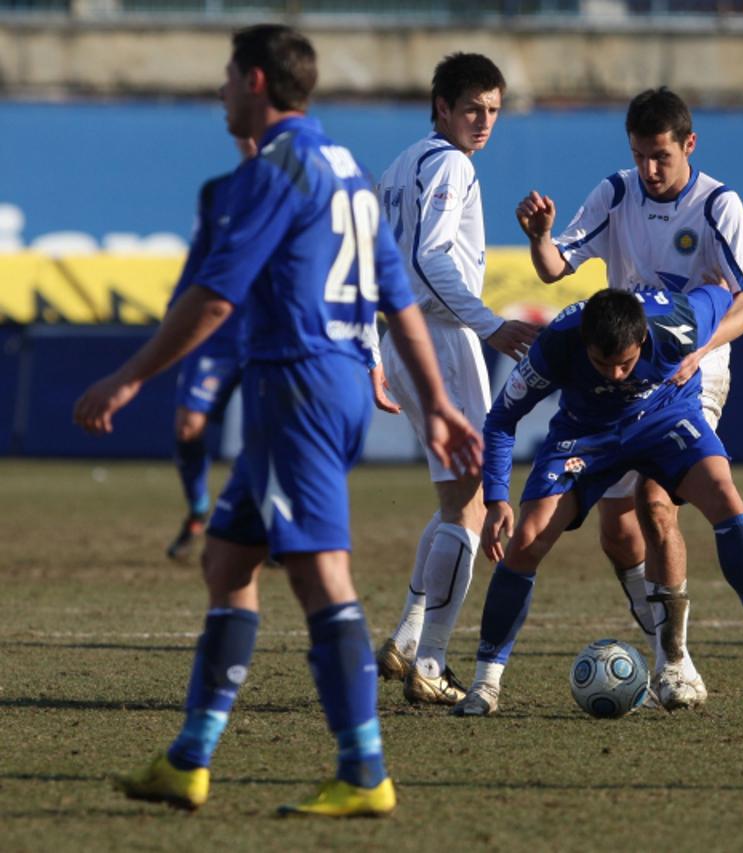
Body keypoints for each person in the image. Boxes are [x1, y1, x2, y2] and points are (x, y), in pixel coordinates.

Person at [73, 24, 482, 817]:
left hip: (294, 384)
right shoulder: (348, 169)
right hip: (315, 385)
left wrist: (127, 379)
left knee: (319, 575)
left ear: (256, 82)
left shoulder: (275, 171)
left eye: (229, 75)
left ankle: (364, 772)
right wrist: (434, 403)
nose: (221, 90)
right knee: (228, 562)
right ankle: (190, 759)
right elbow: (395, 298)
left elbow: (215, 297)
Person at [515, 87, 743, 710]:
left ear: (689, 145)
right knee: (617, 530)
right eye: (640, 155)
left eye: (661, 156)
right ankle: (664, 647)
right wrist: (540, 236)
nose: (651, 170)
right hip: (619, 376)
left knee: (659, 504)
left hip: (689, 374)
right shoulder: (616, 193)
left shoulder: (717, 205)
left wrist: (701, 353)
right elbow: (554, 268)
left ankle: (705, 652)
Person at [451, 285, 743, 717]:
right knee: (527, 540)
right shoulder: (555, 344)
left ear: (643, 339)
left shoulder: (681, 317)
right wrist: (496, 499)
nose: (616, 375)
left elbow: (740, 299)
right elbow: (500, 420)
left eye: (625, 363)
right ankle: (485, 685)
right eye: (602, 364)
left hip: (665, 419)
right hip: (585, 435)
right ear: (584, 343)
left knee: (722, 489)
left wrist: (701, 353)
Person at [371, 53, 539, 708]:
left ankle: (410, 638)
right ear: (441, 105)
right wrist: (488, 322)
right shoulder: (450, 164)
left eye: (494, 109)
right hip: (440, 335)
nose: (485, 121)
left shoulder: (398, 167)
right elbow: (430, 255)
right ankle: (432, 657)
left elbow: (382, 258)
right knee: (470, 506)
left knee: (454, 504)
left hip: (403, 336)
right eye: (473, 107)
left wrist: (373, 348)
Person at [163, 137, 256, 561]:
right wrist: (175, 319)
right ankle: (198, 509)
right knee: (188, 427)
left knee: (270, 435)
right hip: (214, 333)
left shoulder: (297, 186)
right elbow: (197, 261)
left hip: (267, 332)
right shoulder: (217, 191)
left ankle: (270, 526)